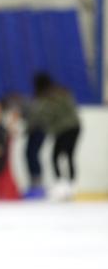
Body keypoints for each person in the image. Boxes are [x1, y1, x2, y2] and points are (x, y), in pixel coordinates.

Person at [30, 72, 81, 201]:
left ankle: (63, 185)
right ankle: (69, 185)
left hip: (65, 129)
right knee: (68, 155)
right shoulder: (60, 92)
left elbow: (45, 115)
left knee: (56, 156)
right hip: (74, 127)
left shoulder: (48, 97)